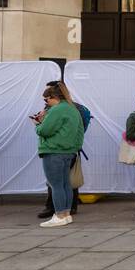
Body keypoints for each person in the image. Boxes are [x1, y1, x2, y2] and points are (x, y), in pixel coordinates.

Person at [37, 79, 91, 220]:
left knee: (56, 185)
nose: (45, 102)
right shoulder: (73, 108)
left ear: (53, 97)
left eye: (46, 99)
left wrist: (38, 124)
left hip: (54, 151)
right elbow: (80, 131)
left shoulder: (57, 109)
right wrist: (75, 148)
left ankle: (59, 215)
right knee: (66, 184)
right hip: (70, 152)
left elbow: (45, 131)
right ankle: (66, 214)